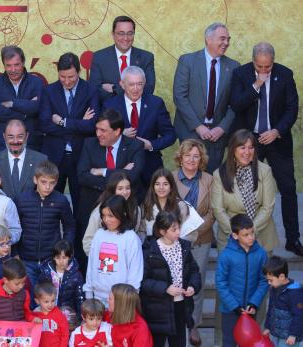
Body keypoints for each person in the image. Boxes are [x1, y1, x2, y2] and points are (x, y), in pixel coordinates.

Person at [230, 42, 303, 257]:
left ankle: (293, 239)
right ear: (253, 61)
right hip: (249, 142)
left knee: (288, 188)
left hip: (277, 140)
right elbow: (236, 105)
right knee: (247, 190)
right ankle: (245, 238)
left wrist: (277, 131)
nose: (264, 71)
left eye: (267, 67)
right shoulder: (241, 74)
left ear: (273, 61)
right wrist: (256, 86)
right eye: (259, 66)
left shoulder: (285, 74)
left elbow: (292, 108)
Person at [76, 109, 145, 267]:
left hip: (125, 211)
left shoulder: (135, 146)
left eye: (103, 130)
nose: (98, 133)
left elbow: (132, 177)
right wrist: (121, 173)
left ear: (117, 131)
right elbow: (82, 176)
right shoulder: (89, 144)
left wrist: (103, 171)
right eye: (97, 129)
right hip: (93, 206)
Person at [173, 22, 240, 173]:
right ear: (208, 39)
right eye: (222, 39)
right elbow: (179, 97)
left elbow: (236, 103)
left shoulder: (234, 66)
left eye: (228, 39)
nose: (226, 43)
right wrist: (198, 126)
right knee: (190, 176)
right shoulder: (187, 61)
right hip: (190, 131)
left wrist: (222, 127)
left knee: (212, 178)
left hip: (217, 134)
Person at [39, 52, 99, 208]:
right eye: (62, 77)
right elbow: (45, 124)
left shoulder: (90, 90)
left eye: (71, 77)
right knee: (50, 203)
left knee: (81, 203)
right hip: (54, 157)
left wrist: (62, 121)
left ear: (78, 72)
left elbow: (92, 126)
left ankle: (79, 233)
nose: (66, 81)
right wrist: (79, 123)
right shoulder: (48, 91)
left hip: (81, 156)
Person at [171, 139, 214, 346]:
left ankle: (193, 325)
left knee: (196, 283)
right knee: (175, 283)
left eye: (196, 156)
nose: (191, 159)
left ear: (201, 159)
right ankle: (175, 322)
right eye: (188, 155)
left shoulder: (208, 179)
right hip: (174, 240)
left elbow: (213, 211)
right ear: (180, 157)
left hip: (201, 240)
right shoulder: (169, 178)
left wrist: (197, 232)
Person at [103, 65, 176, 185]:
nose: (136, 89)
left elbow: (170, 135)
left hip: (150, 167)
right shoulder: (110, 105)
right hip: (120, 168)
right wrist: (119, 134)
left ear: (145, 83)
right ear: (122, 84)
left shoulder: (156, 103)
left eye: (140, 84)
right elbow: (101, 136)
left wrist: (151, 145)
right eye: (131, 84)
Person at [141, 211, 201, 347]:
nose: (178, 232)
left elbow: (194, 271)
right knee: (157, 342)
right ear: (162, 231)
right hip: (158, 308)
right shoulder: (150, 250)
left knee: (179, 342)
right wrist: (166, 289)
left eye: (179, 228)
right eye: (174, 229)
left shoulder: (184, 247)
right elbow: (144, 281)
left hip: (181, 305)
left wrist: (192, 286)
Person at [212, 129, 277, 252]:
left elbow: (268, 207)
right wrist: (238, 233)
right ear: (233, 150)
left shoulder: (265, 171)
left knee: (260, 271)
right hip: (231, 235)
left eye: (251, 147)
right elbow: (218, 209)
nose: (247, 152)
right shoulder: (219, 174)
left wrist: (249, 232)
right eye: (242, 147)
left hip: (260, 235)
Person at [15, 160, 75, 288]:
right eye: (43, 182)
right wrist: (15, 253)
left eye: (52, 183)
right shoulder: (22, 199)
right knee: (29, 297)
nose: (47, 187)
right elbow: (14, 227)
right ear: (35, 180)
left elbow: (69, 226)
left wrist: (64, 247)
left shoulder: (61, 200)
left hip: (50, 259)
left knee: (48, 297)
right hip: (26, 259)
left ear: (56, 182)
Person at [216, 214, 269, 347]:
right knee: (229, 342)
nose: (251, 237)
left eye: (252, 233)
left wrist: (254, 303)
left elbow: (263, 281)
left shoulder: (261, 254)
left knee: (249, 342)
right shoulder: (226, 255)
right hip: (230, 310)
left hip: (250, 309)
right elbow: (221, 284)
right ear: (235, 235)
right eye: (245, 234)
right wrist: (235, 307)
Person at [84, 195, 143, 305]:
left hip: (121, 300)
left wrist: (130, 299)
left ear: (123, 214)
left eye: (111, 216)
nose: (106, 220)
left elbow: (135, 271)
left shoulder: (131, 238)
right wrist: (88, 293)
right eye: (104, 216)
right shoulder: (99, 235)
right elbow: (91, 264)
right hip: (97, 298)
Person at [0, 45, 44, 152]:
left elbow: (36, 108)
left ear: (23, 63)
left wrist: (12, 103)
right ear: (3, 65)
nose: (13, 69)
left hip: (31, 144)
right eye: (8, 65)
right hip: (1, 145)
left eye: (17, 65)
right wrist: (25, 112)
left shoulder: (36, 82)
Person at [89, 15, 156, 101]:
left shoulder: (146, 57)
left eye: (130, 33)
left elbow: (148, 89)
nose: (126, 38)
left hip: (137, 111)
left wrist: (114, 88)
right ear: (113, 34)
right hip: (109, 112)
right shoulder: (99, 57)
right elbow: (95, 91)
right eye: (121, 33)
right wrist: (133, 89)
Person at [82, 171, 142, 255]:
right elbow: (87, 242)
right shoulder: (99, 211)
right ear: (112, 190)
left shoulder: (135, 210)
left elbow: (136, 234)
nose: (125, 192)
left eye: (127, 188)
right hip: (105, 260)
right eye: (120, 188)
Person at [0, 120, 47, 201]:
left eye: (20, 136)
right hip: (2, 212)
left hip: (30, 212)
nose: (15, 141)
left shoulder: (40, 160)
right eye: (11, 137)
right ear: (4, 136)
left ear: (27, 136)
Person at [37, 240, 84, 323]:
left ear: (70, 257)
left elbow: (79, 298)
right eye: (58, 257)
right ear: (53, 258)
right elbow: (39, 293)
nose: (61, 261)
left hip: (67, 313)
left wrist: (80, 317)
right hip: (47, 311)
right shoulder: (46, 273)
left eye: (64, 257)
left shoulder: (76, 275)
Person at [141, 169, 194, 239]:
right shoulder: (146, 205)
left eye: (165, 184)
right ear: (153, 187)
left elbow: (188, 234)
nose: (161, 187)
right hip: (151, 247)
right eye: (157, 184)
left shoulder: (181, 206)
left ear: (171, 187)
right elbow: (142, 231)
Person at [262, 256, 303, 347]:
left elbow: (299, 315)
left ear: (281, 276)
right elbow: (271, 310)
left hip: (289, 338)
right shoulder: (274, 289)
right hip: (277, 333)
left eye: (271, 280)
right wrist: (268, 327)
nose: (269, 283)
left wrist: (293, 334)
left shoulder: (295, 293)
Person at [30, 282, 70, 346]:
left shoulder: (59, 314)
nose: (50, 304)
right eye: (46, 301)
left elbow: (65, 334)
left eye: (53, 301)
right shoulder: (34, 315)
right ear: (37, 301)